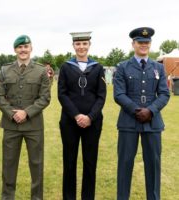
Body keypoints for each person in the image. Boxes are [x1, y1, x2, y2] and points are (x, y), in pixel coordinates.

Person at [113, 27, 170, 200]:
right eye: (140, 42)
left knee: (153, 165)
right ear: (133, 44)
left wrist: (150, 111)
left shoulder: (158, 68)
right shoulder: (123, 67)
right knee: (125, 164)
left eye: (147, 42)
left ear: (150, 44)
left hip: (152, 123)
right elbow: (119, 94)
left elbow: (165, 94)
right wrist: (136, 110)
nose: (144, 45)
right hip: (128, 121)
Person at [0, 35, 51, 200]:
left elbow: (45, 98)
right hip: (11, 125)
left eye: (26, 46)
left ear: (31, 48)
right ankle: (7, 197)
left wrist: (26, 112)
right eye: (20, 47)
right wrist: (13, 113)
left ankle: (37, 197)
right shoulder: (5, 70)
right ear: (15, 50)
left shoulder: (41, 71)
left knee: (36, 164)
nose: (23, 50)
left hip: (33, 125)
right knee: (9, 164)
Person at [58, 32, 106, 200]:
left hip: (92, 123)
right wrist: (77, 116)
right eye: (78, 44)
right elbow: (62, 94)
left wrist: (90, 117)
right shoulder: (65, 67)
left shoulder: (98, 67)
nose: (81, 47)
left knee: (90, 163)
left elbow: (101, 96)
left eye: (84, 44)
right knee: (69, 163)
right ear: (73, 46)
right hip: (70, 122)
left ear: (89, 45)